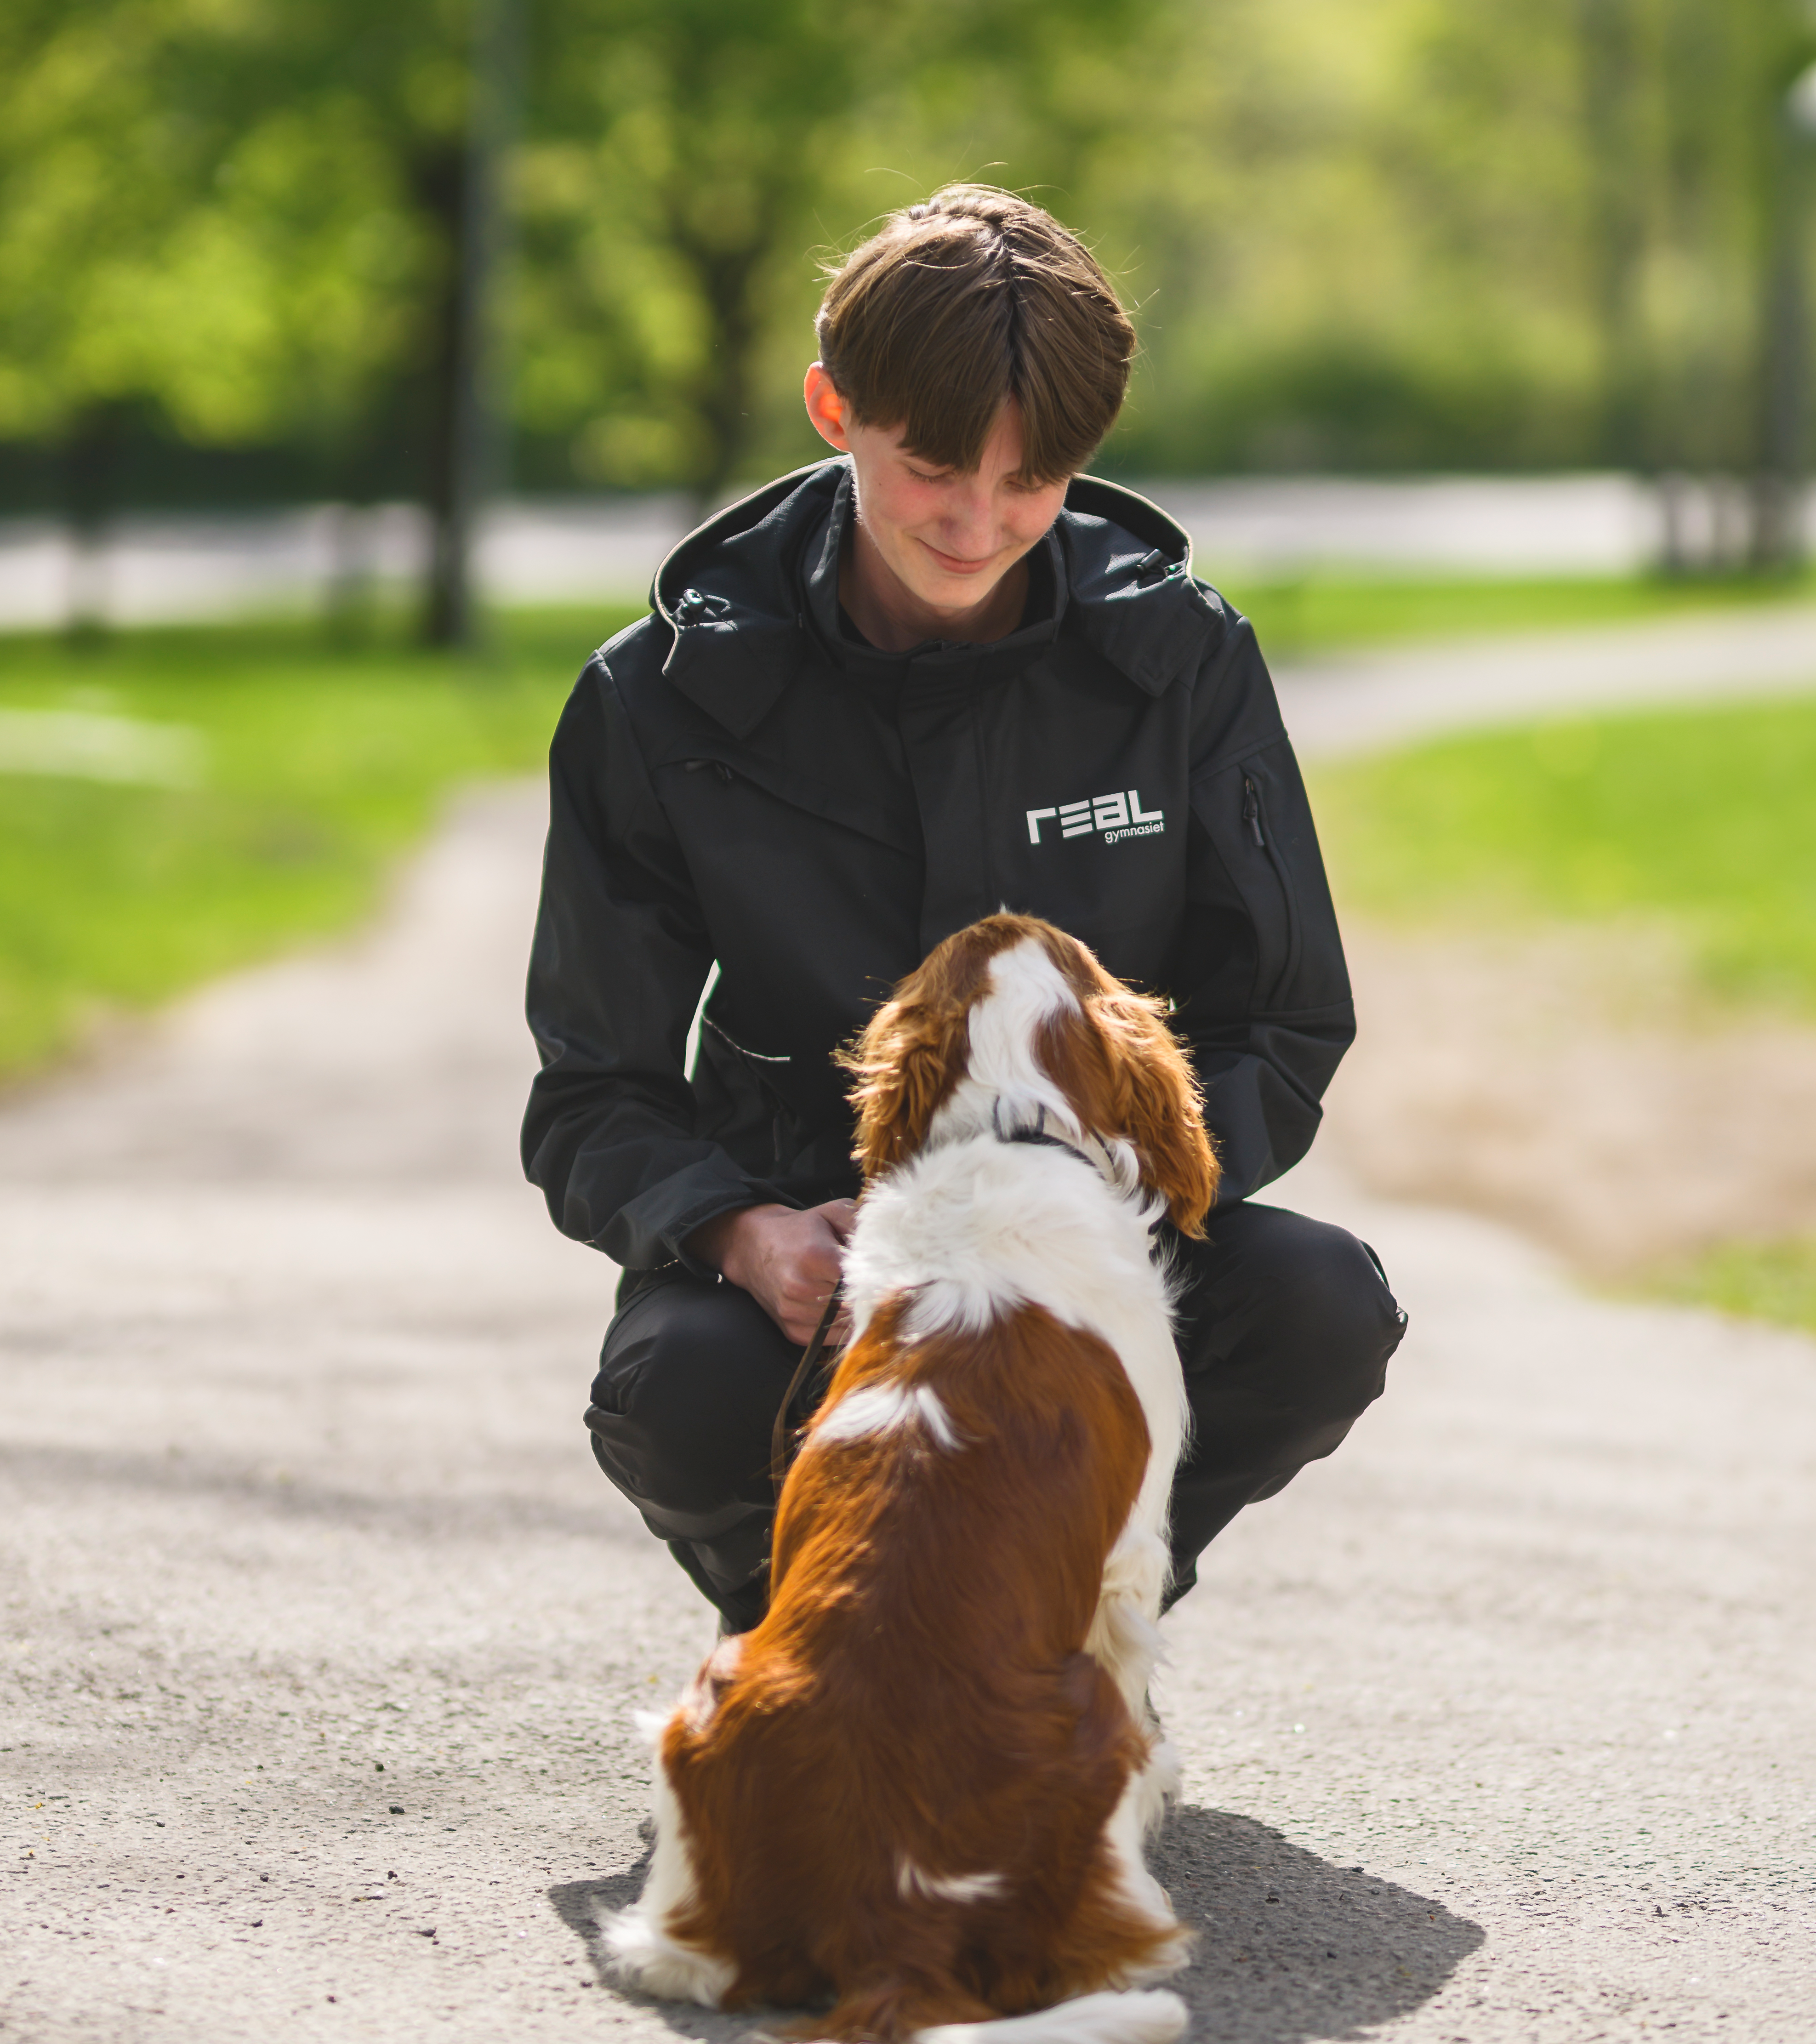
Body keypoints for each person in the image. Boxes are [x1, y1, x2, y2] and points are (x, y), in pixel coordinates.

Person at [522, 184, 1406, 1629]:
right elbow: (591, 1096)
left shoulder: (1178, 659)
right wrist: (745, 1233)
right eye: (936, 466)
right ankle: (819, 1639)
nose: (980, 522)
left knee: (1323, 1305)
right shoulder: (663, 695)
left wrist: (1104, 1204)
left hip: (1106, 1223)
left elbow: (1283, 1023)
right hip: (812, 1244)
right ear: (833, 408)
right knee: (672, 1391)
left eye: (1033, 479)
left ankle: (1064, 1615)